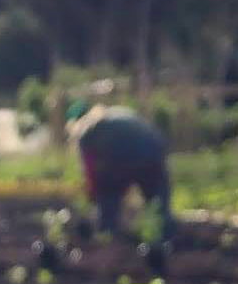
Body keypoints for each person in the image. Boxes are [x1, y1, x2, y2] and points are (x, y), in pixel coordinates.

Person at [64, 100, 176, 273]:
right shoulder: (113, 113)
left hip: (129, 152)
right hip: (154, 148)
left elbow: (90, 170)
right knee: (158, 203)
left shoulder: (85, 131)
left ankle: (109, 239)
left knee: (107, 194)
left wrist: (94, 193)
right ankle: (167, 243)